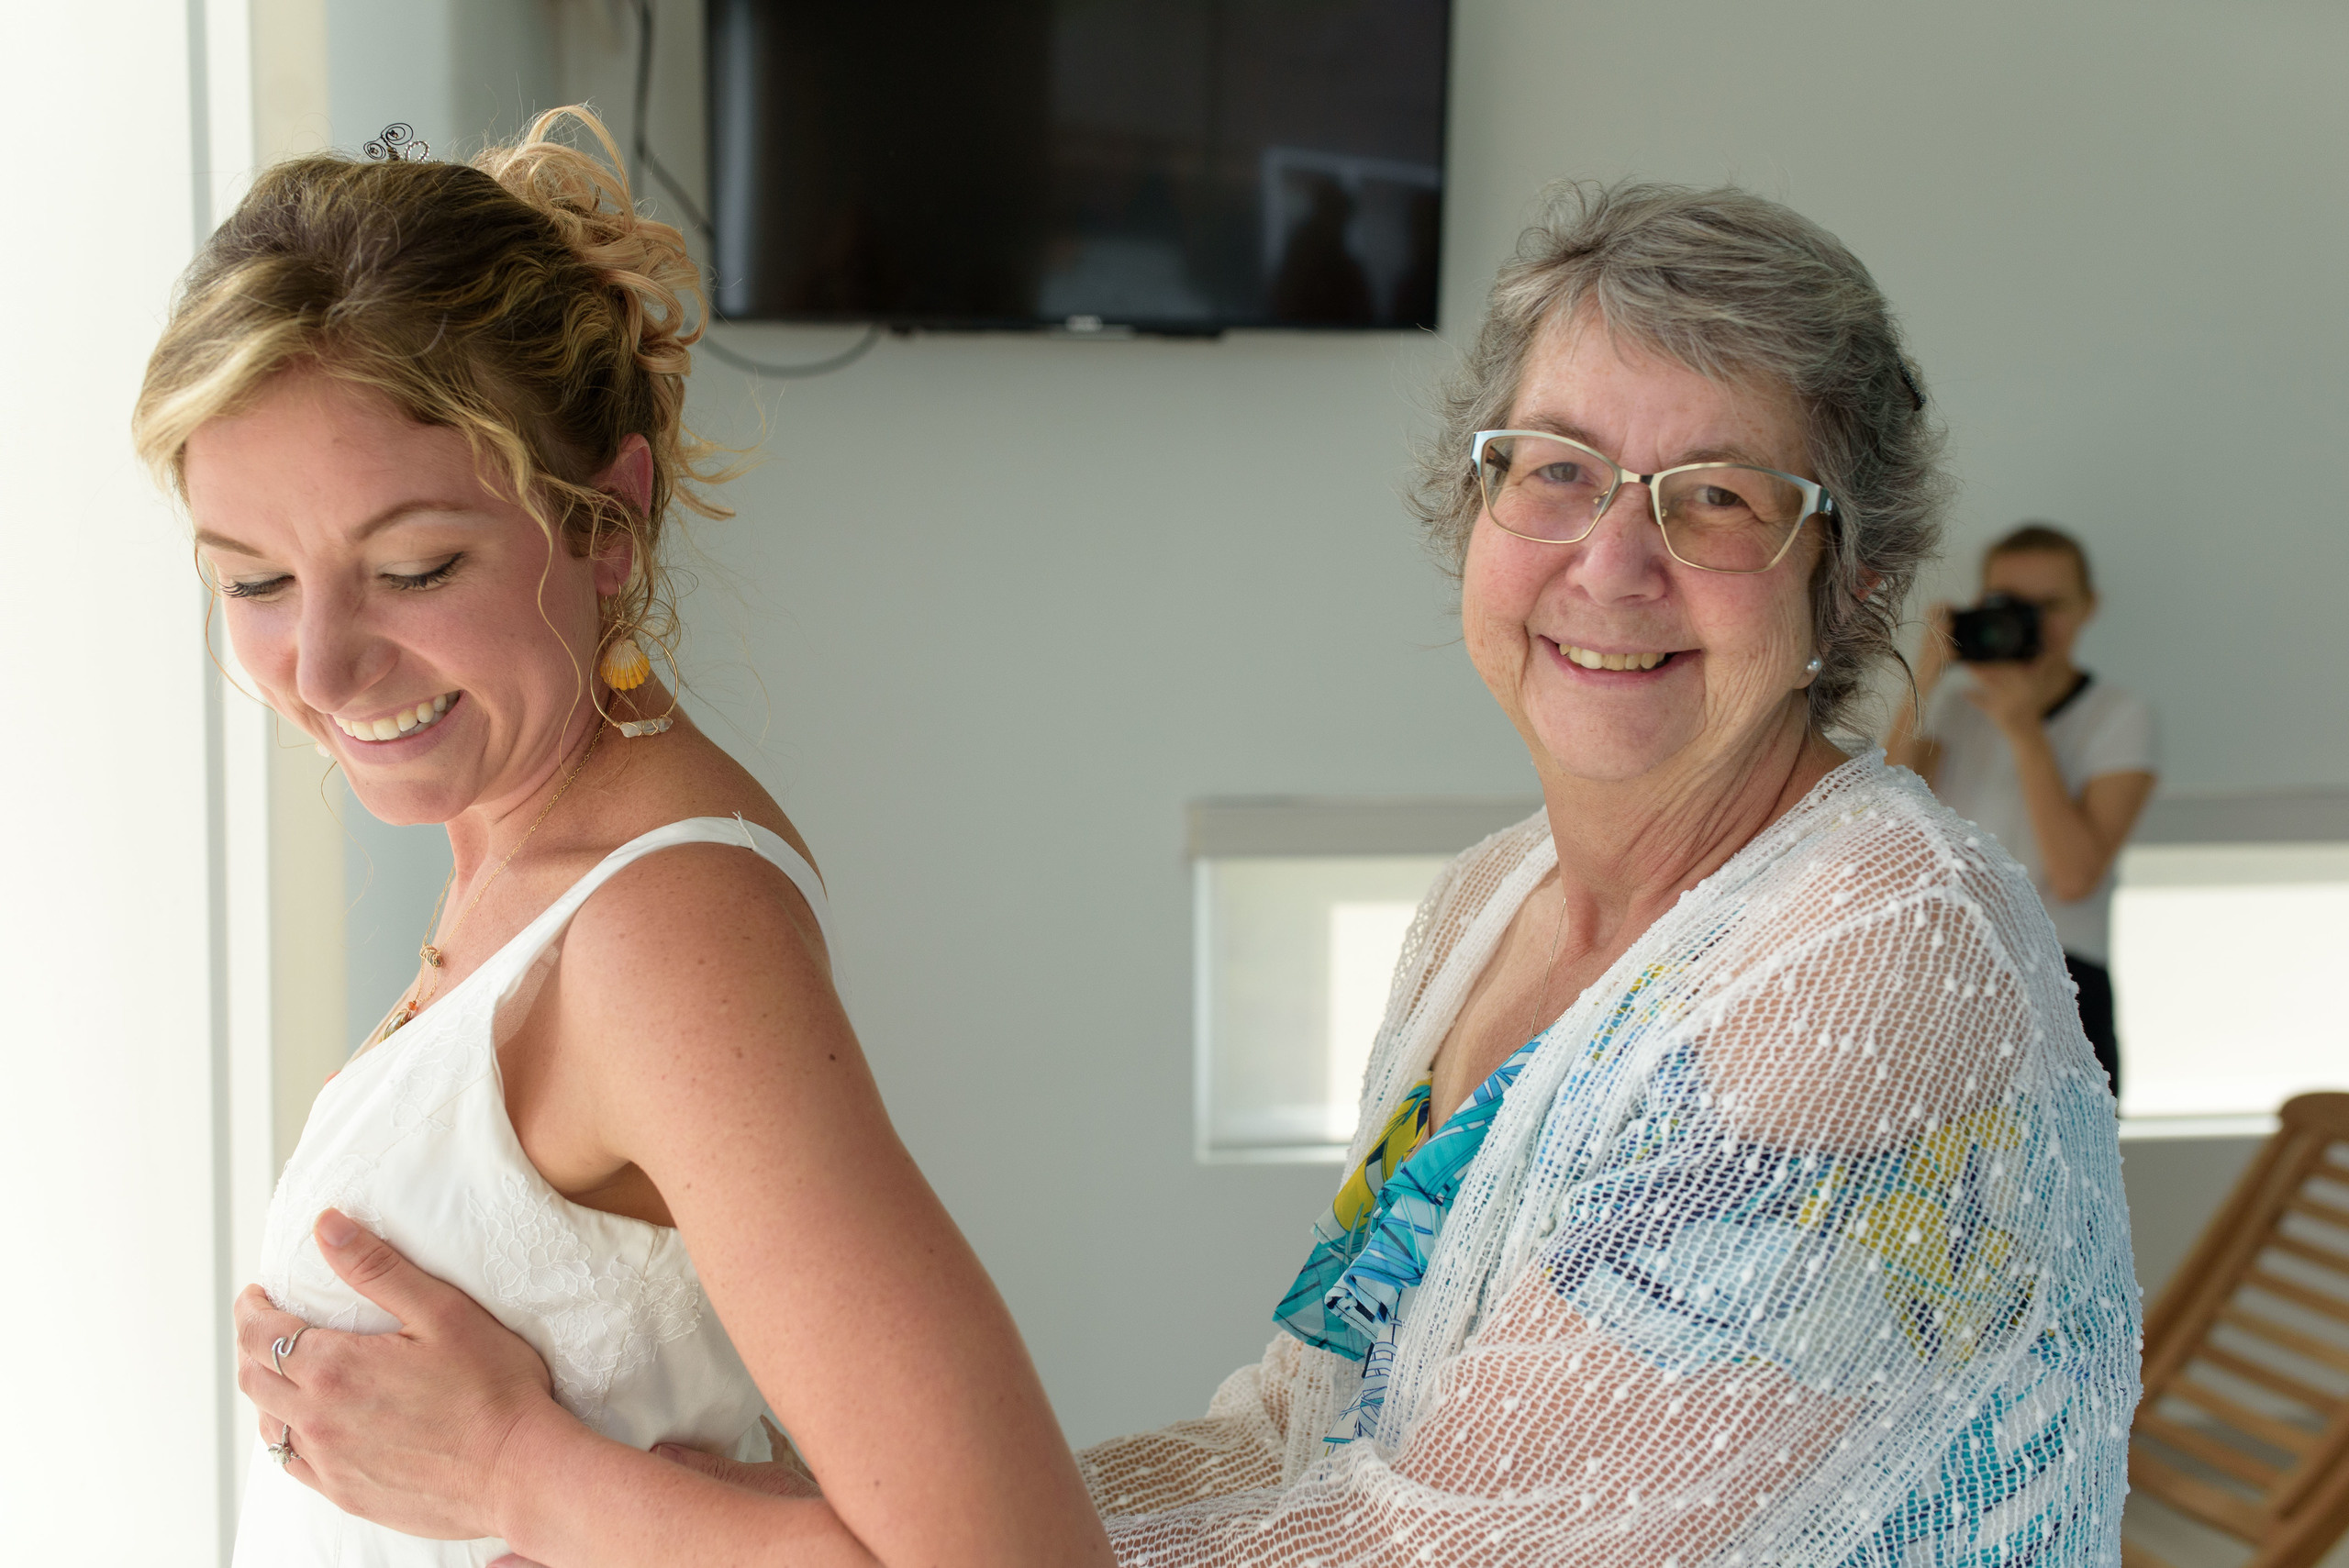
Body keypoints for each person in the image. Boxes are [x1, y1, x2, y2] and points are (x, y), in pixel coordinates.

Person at [233, 183, 2141, 1565]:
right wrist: (828, 1521)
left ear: (1857, 574)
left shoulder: (1878, 944)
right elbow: (1304, 1430)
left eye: (1714, 496)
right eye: (1548, 467)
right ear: (1472, 511)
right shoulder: (1481, 909)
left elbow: (1452, 1553)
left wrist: (555, 1489)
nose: (1607, 561)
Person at [141, 108, 1113, 1566]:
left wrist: (516, 1472)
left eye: (414, 566)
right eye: (257, 579)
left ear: (609, 521)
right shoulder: (520, 862)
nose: (324, 668)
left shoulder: (663, 930)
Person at [1886, 525, 2157, 1095]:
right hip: (1949, 977)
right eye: (2010, 605)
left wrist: (2025, 730)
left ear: (2089, 609)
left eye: (2050, 606)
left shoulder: (2119, 716)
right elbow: (1884, 815)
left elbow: (2074, 875)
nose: (2029, 623)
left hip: (2060, 982)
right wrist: (1926, 674)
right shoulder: (1959, 707)